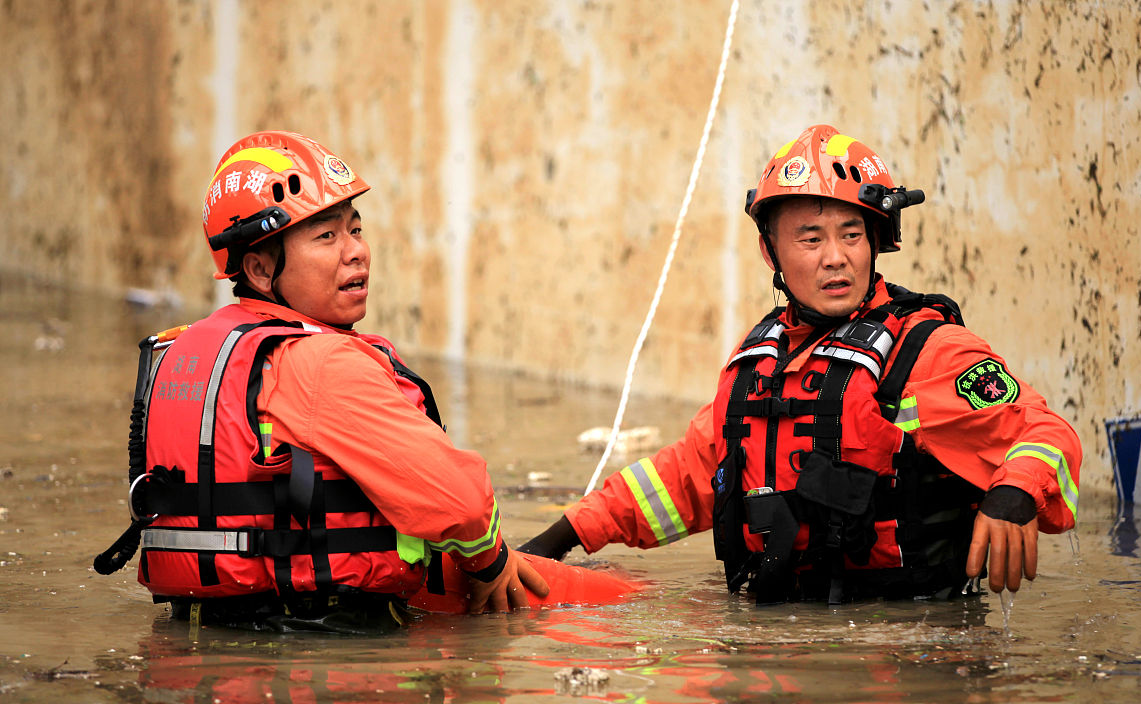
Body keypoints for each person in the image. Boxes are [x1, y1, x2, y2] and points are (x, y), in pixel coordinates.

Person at [521, 124, 1082, 605]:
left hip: (908, 643)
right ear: (772, 253)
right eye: (810, 238)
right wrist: (562, 536)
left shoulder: (929, 352)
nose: (835, 257)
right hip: (779, 633)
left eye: (852, 234)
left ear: (876, 242)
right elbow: (684, 477)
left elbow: (1046, 433)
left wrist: (1013, 494)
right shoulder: (760, 364)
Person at [95, 130, 548, 631]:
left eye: (356, 229)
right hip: (324, 646)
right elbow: (458, 502)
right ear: (261, 269)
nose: (356, 252)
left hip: (192, 635)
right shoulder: (321, 363)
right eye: (326, 236)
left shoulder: (185, 351)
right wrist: (492, 562)